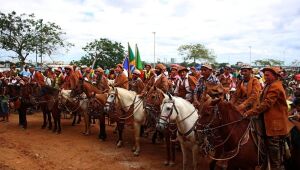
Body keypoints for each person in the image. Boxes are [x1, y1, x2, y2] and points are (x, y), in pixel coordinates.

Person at [243, 66, 294, 170]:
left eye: (267, 75)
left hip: (275, 123)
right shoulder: (269, 84)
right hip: (265, 118)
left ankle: (277, 166)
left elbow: (267, 104)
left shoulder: (276, 86)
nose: (265, 77)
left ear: (275, 76)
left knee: (273, 147)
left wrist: (250, 112)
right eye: (264, 75)